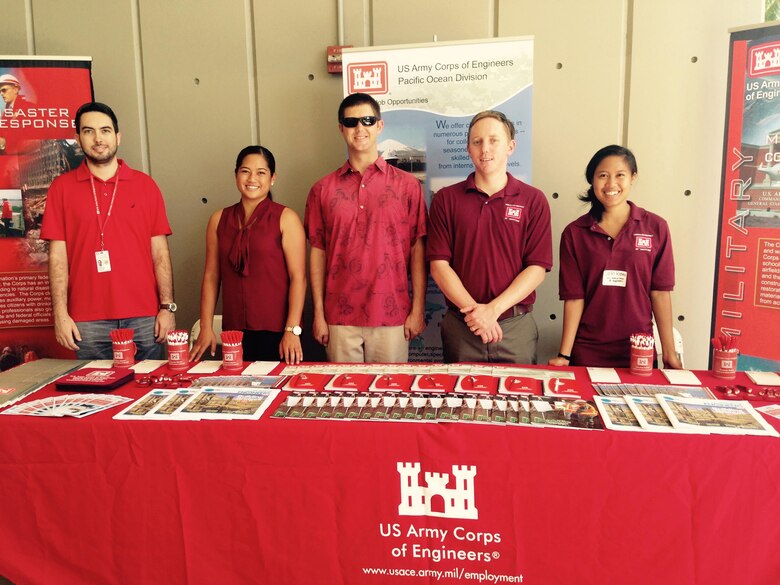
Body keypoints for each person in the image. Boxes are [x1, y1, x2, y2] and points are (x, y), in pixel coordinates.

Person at [40, 102, 176, 360]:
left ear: (118, 136)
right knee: (97, 396)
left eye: (105, 130)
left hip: (145, 317)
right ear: (77, 137)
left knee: (149, 394)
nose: (98, 138)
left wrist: (167, 308)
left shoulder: (145, 186)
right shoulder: (61, 189)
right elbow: (58, 259)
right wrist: (60, 314)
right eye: (89, 131)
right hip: (87, 322)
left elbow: (160, 253)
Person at [304, 92, 427, 363]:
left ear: (379, 126)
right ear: (341, 129)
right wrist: (319, 315)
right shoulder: (322, 190)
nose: (360, 128)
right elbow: (318, 252)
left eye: (368, 120)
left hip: (392, 315)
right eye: (351, 122)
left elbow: (418, 248)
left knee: (389, 402)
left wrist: (417, 309)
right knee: (343, 401)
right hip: (338, 318)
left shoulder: (407, 186)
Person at [427, 110, 552, 364]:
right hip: (462, 327)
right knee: (458, 403)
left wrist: (492, 311)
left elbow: (537, 268)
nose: (485, 148)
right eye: (477, 141)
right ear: (468, 149)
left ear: (511, 146)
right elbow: (439, 266)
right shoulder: (446, 199)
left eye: (494, 140)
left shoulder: (533, 200)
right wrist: (477, 315)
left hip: (515, 327)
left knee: (519, 402)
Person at [548, 145, 682, 369]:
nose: (611, 184)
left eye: (620, 175)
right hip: (588, 352)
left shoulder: (655, 227)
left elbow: (660, 293)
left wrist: (669, 353)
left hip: (639, 351)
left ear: (633, 177)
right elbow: (574, 298)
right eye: (602, 176)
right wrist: (565, 355)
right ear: (592, 180)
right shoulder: (575, 233)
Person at [189, 145, 306, 364]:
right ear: (236, 175)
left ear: (272, 178)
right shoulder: (219, 219)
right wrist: (206, 327)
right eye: (245, 171)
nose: (252, 178)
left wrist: (292, 330)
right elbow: (211, 276)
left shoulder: (286, 218)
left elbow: (298, 278)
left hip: (277, 332)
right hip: (234, 332)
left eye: (261, 172)